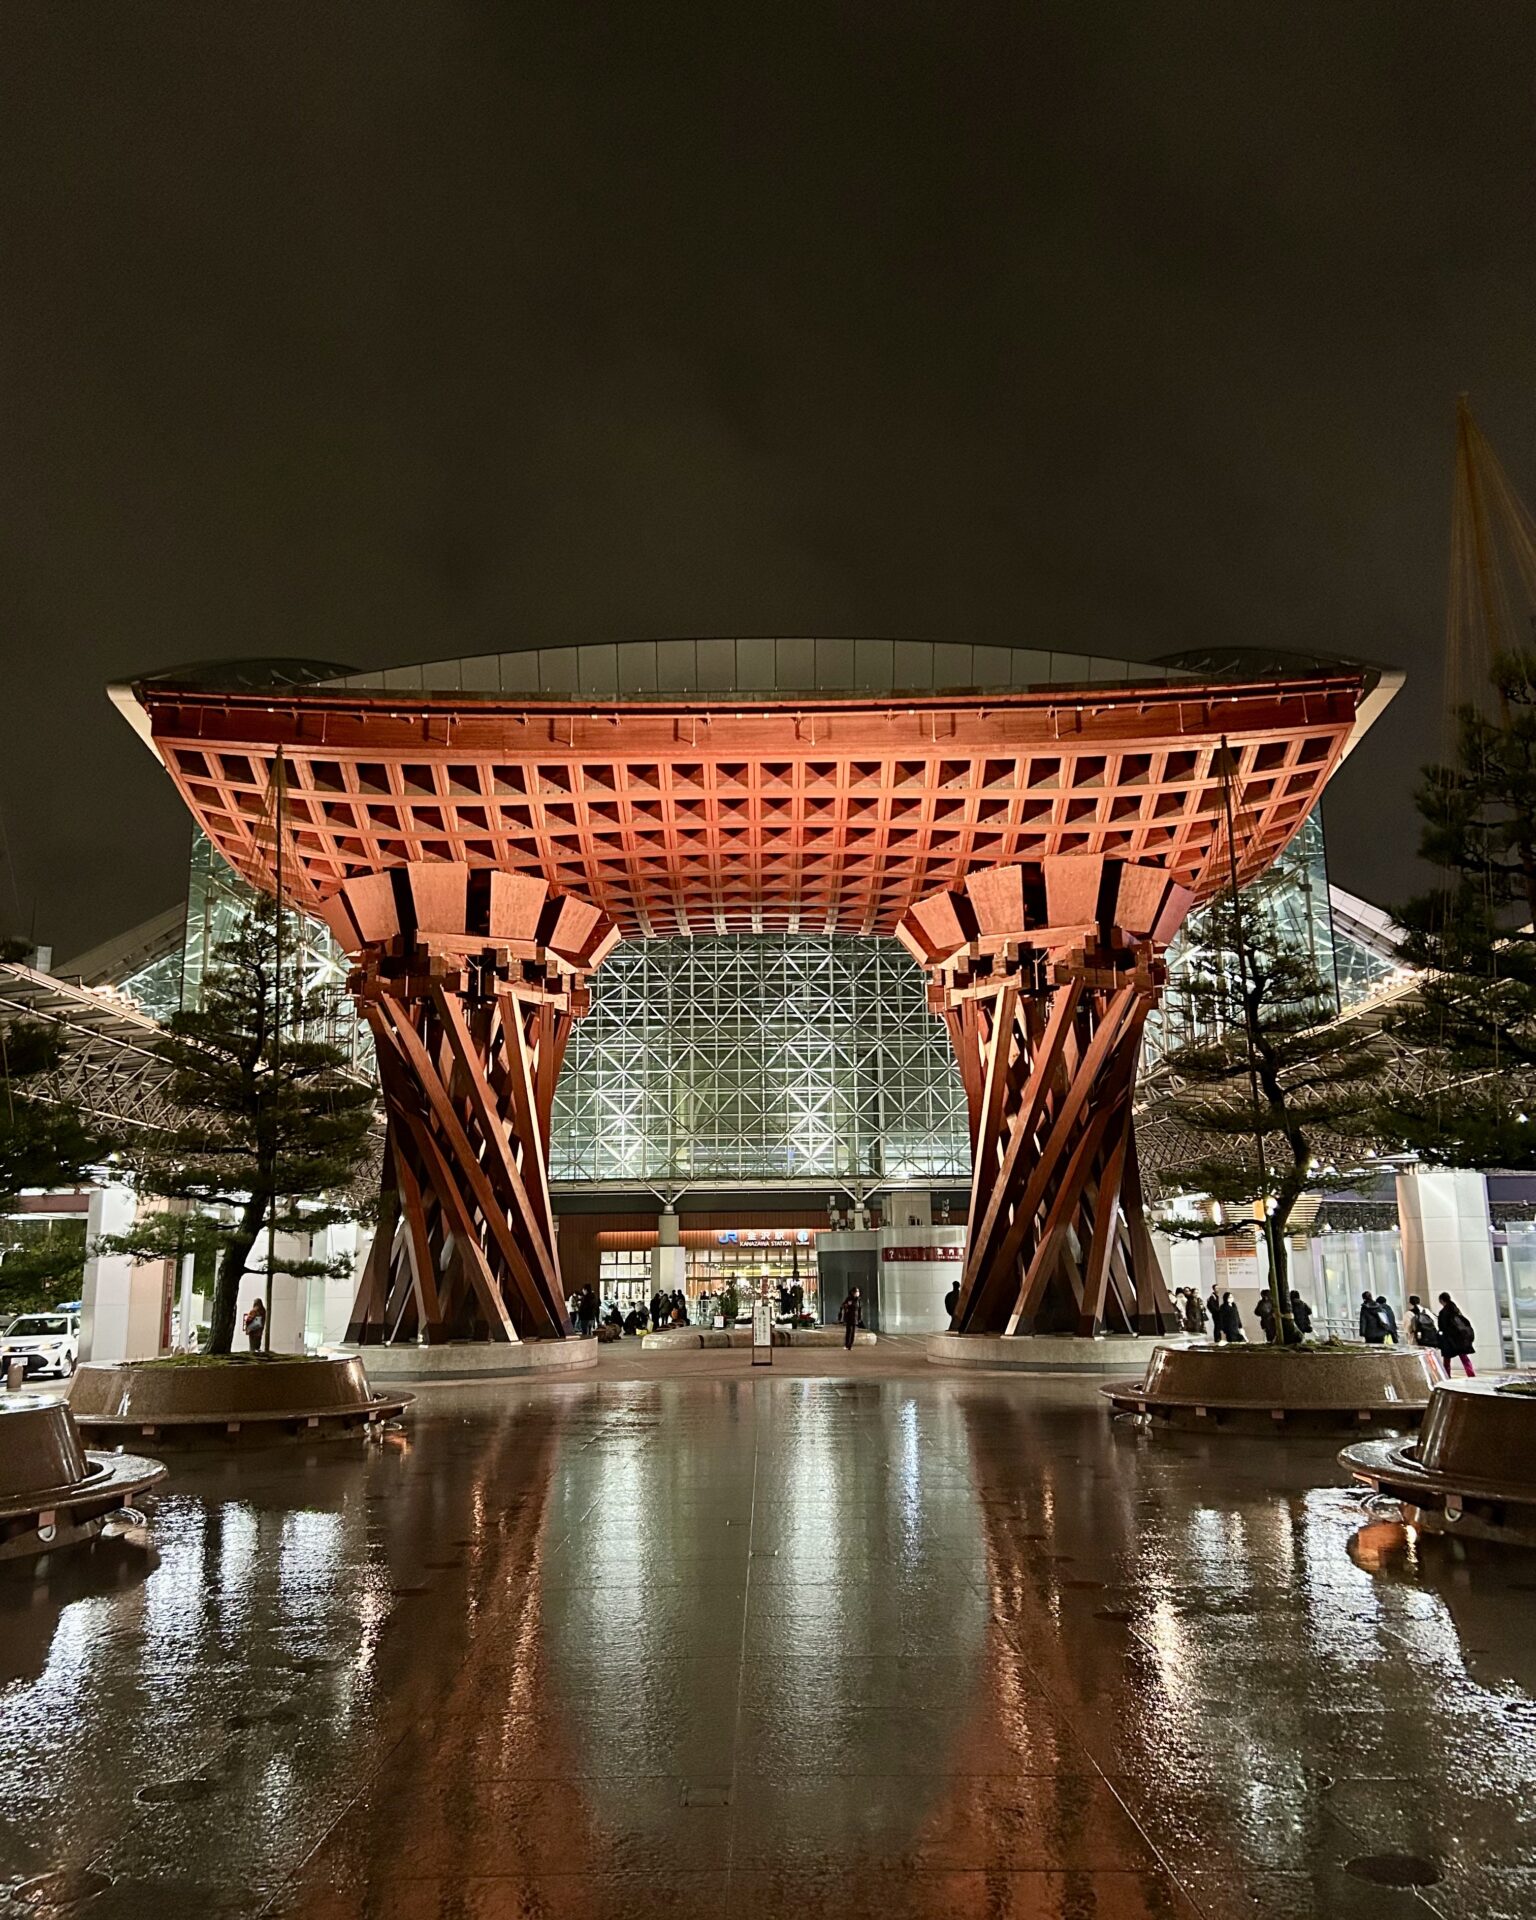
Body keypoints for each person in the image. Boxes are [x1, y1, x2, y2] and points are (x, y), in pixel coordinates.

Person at [1437, 1292, 1477, 1376]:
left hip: (1449, 1339)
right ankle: (1471, 1374)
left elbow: (1442, 1327)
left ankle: (1447, 1375)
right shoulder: (1456, 1310)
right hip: (1461, 1338)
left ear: (1441, 1300)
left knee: (1447, 1359)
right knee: (1464, 1357)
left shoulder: (1443, 1313)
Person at [840, 1287, 863, 1351]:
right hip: (849, 1317)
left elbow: (860, 1309)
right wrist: (846, 1305)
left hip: (855, 1317)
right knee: (849, 1331)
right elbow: (843, 1305)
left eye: (858, 1292)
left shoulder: (859, 1300)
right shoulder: (849, 1298)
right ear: (852, 1292)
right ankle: (847, 1345)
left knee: (853, 1332)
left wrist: (860, 1318)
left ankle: (850, 1345)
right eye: (856, 1292)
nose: (857, 1293)